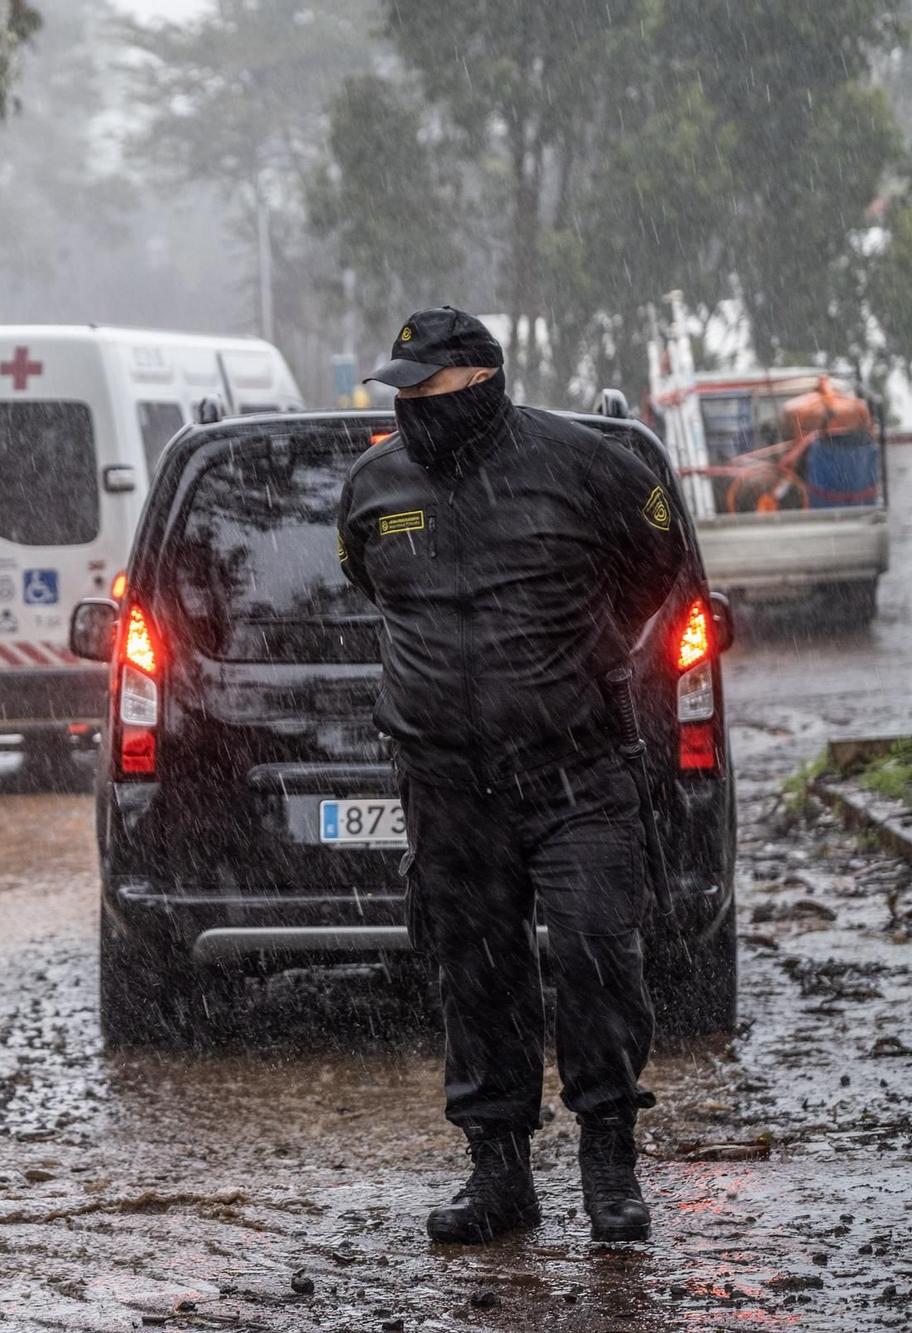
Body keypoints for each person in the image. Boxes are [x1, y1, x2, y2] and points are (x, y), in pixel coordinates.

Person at [335, 308, 685, 1244]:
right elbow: (369, 581)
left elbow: (658, 568)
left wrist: (568, 656)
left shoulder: (587, 463)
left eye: (427, 386)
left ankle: (609, 1165)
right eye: (399, 388)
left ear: (482, 381)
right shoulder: (374, 483)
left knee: (595, 953)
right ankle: (499, 1176)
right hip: (447, 782)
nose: (410, 403)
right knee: (477, 972)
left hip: (577, 770)